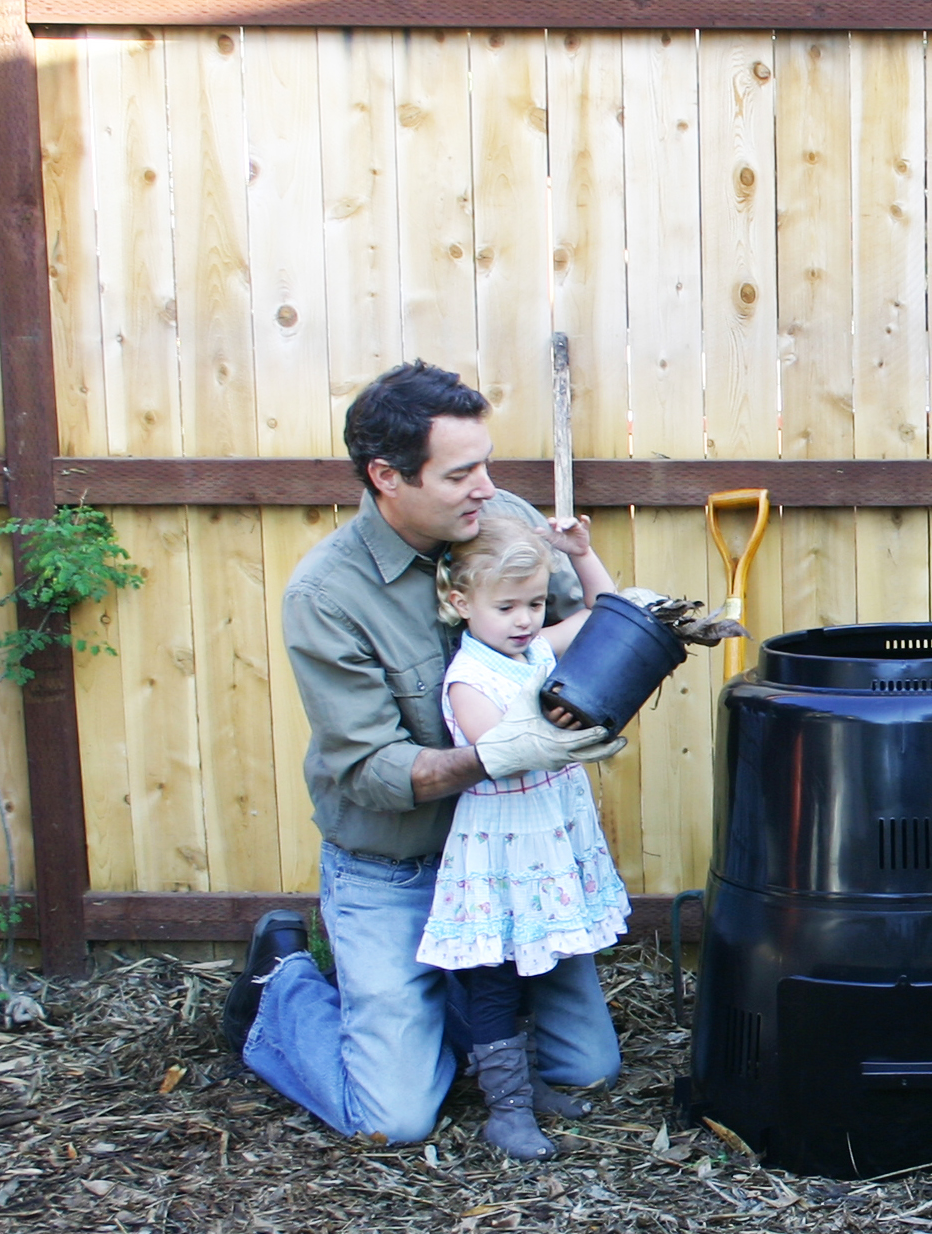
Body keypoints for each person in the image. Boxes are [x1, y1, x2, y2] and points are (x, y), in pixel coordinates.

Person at [221, 360, 627, 1146]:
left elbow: (582, 632)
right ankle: (283, 985)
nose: (487, 487)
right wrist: (502, 752)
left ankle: (440, 1009)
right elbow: (372, 771)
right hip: (400, 873)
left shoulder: (499, 516)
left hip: (515, 860)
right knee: (398, 1119)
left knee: (588, 1069)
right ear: (387, 477)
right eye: (461, 471)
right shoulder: (328, 596)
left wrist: (645, 635)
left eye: (486, 462)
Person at [418, 514, 634, 1159]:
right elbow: (498, 749)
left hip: (552, 836)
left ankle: (532, 1081)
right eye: (506, 605)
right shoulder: (469, 678)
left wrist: (582, 553)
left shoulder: (535, 648)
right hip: (504, 849)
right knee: (498, 977)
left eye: (535, 603)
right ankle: (505, 1108)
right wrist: (561, 723)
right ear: (460, 603)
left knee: (537, 966)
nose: (523, 618)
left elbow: (607, 615)